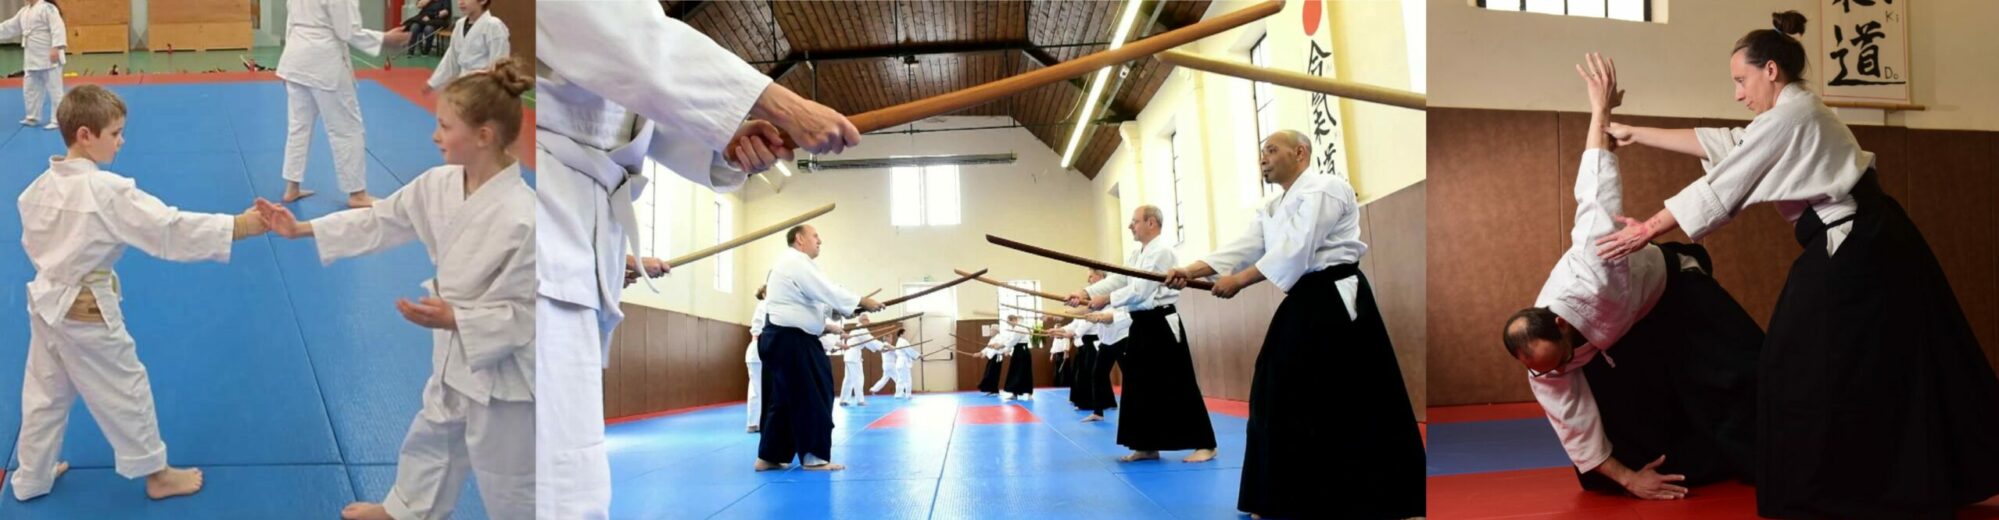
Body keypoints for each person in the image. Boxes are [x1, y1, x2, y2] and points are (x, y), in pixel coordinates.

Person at [1595, 12, 1999, 517]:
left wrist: (1647, 229)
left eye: (1741, 80)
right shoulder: (1789, 113)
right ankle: (1865, 482)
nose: (1738, 94)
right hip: (1865, 243)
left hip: (1860, 246)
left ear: (1771, 71)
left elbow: (1726, 183)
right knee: (1852, 360)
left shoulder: (1794, 116)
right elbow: (1731, 145)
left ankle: (1832, 488)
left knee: (1797, 360)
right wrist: (1638, 132)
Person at [534, 6, 861, 515]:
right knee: (540, 441)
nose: (817, 243)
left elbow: (631, 106)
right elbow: (636, 47)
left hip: (582, 220)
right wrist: (782, 103)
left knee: (566, 445)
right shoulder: (795, 265)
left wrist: (723, 142)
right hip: (539, 197)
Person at [257, 60, 536, 520]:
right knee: (435, 434)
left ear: (484, 136)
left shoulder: (525, 217)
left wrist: (458, 319)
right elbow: (378, 220)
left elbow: (531, 313)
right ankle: (406, 509)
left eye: (445, 126)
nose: (435, 135)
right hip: (454, 348)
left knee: (508, 474)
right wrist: (302, 231)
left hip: (503, 369)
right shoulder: (438, 184)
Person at [1496, 53, 1761, 502]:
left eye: (1558, 360)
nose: (1555, 371)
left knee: (1744, 373)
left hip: (1672, 293)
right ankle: (1701, 463)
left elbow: (1595, 188)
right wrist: (1629, 478)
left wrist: (1601, 111)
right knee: (1614, 460)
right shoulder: (1544, 364)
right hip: (1620, 338)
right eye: (1545, 369)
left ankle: (1775, 454)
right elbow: (1574, 423)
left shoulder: (1591, 269)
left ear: (1559, 322)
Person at [13, 85, 266, 502]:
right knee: (125, 387)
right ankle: (157, 473)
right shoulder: (105, 190)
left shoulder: (37, 188)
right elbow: (167, 228)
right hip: (86, 310)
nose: (122, 140)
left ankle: (32, 477)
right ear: (84, 135)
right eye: (114, 133)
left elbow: (34, 244)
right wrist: (239, 225)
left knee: (44, 394)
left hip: (45, 304)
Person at [1072, 206, 1216, 463]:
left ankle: (1205, 443)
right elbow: (1120, 280)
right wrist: (1086, 293)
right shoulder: (1138, 253)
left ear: (1151, 223)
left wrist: (1105, 300)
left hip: (1161, 323)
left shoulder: (1161, 252)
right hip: (1141, 324)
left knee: (1178, 381)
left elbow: (1141, 290)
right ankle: (1146, 445)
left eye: (1134, 221)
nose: (1130, 226)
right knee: (1139, 384)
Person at [755, 225, 884, 472]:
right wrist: (860, 301)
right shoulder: (795, 261)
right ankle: (814, 457)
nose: (820, 240)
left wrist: (849, 308)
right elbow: (826, 290)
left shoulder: (794, 265)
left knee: (784, 400)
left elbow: (818, 303)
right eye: (815, 236)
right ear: (799, 239)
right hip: (792, 339)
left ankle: (769, 456)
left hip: (782, 338)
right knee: (814, 394)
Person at [277, 0, 411, 208]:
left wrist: (289, 61)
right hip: (323, 62)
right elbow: (348, 31)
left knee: (298, 128)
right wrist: (386, 39)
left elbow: (291, 22)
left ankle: (291, 187)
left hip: (295, 59)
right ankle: (357, 193)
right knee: (346, 129)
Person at [0, 0, 65, 130]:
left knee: (55, 90)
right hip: (32, 56)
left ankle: (57, 119)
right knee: (30, 89)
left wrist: (56, 47)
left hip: (49, 55)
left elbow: (58, 27)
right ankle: (33, 116)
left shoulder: (48, 8)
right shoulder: (24, 11)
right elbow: (10, 27)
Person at [424, 0, 510, 95]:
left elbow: (499, 64)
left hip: (484, 89)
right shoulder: (460, 24)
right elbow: (451, 59)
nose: (461, 2)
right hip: (463, 85)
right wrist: (433, 83)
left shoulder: (494, 25)